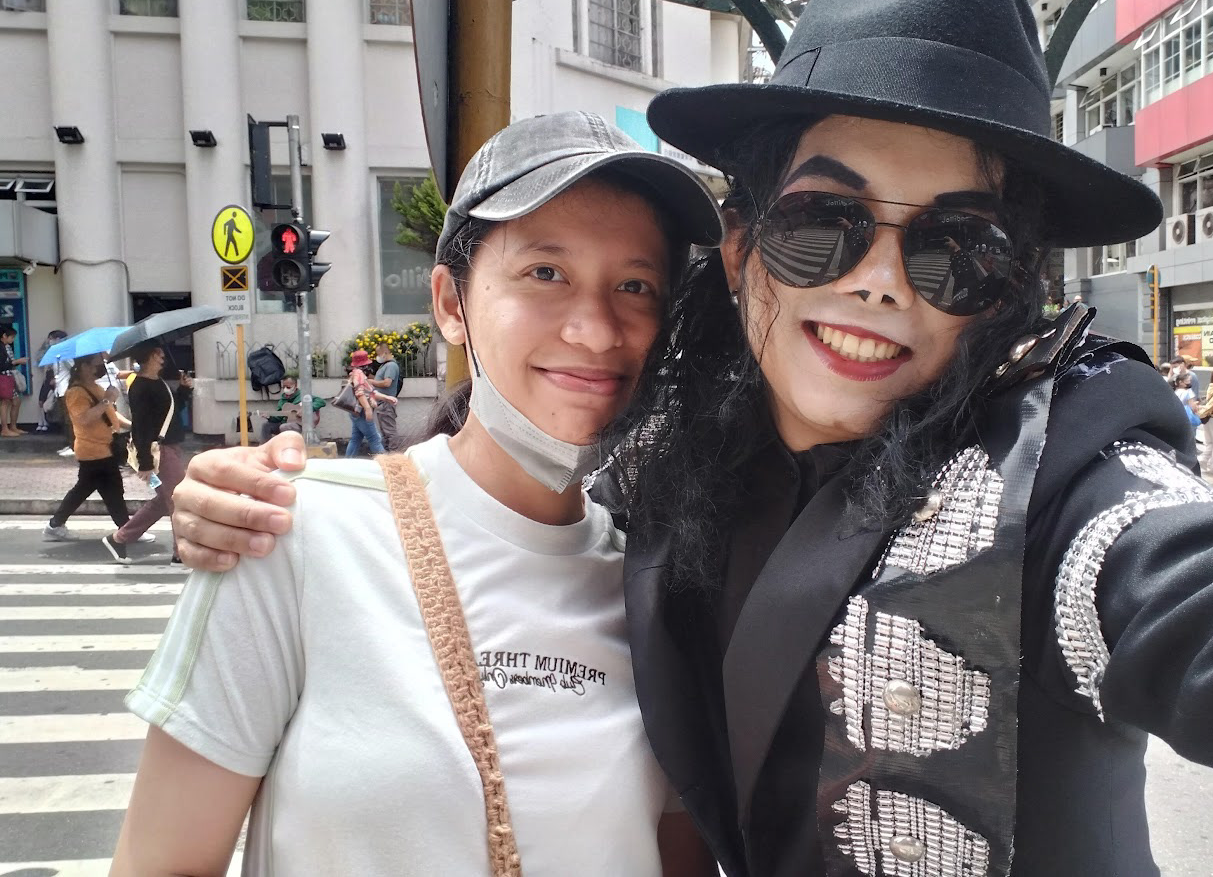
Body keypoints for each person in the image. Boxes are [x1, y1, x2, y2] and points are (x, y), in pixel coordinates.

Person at [166, 0, 1213, 876]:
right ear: (740, 247)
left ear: (1007, 286)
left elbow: (1190, 584)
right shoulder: (667, 476)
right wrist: (264, 498)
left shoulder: (1058, 472)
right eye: (823, 224)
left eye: (956, 246)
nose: (880, 283)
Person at [110, 111, 723, 875]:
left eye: (635, 285)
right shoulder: (291, 533)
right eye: (545, 272)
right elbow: (163, 862)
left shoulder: (662, 584)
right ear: (450, 303)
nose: (596, 330)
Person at [103, 342, 193, 564]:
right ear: (150, 356)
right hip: (158, 453)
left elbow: (170, 413)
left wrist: (183, 390)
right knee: (178, 499)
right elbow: (140, 426)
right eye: (158, 352)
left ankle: (119, 538)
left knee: (164, 500)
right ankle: (180, 552)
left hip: (169, 448)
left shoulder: (157, 381)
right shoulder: (140, 386)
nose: (163, 356)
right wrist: (145, 462)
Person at [43, 353, 131, 542]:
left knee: (90, 490)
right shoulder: (76, 392)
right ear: (84, 366)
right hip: (93, 450)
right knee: (112, 489)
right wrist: (107, 400)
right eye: (96, 364)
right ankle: (127, 530)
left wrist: (131, 425)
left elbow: (110, 414)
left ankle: (55, 524)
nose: (100, 368)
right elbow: (83, 419)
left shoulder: (96, 387)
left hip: (105, 448)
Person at [340, 349, 395, 457]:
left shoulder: (355, 374)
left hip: (356, 411)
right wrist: (367, 408)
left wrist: (386, 397)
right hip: (362, 412)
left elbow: (370, 392)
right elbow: (360, 392)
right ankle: (384, 463)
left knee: (356, 438)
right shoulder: (359, 374)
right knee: (374, 438)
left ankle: (347, 462)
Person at [258, 373, 323, 442]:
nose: (285, 389)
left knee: (284, 427)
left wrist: (305, 410)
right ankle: (265, 446)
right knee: (266, 426)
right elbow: (279, 417)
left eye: (288, 387)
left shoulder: (303, 396)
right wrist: (270, 417)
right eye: (283, 387)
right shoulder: (282, 400)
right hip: (285, 423)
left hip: (301, 425)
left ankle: (289, 446)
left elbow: (321, 401)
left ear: (295, 386)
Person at [370, 339, 402, 451]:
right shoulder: (384, 366)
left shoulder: (391, 366)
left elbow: (387, 383)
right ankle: (389, 453)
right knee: (385, 432)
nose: (378, 357)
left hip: (386, 403)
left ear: (384, 353)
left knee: (389, 431)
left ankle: (394, 453)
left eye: (378, 354)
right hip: (382, 403)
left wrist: (371, 382)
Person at [0, 323, 27, 436]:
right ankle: (5, 429)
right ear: (4, 336)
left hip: (8, 376)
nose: (13, 340)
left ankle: (12, 426)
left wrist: (15, 362)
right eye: (12, 337)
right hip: (3, 377)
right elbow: (2, 365)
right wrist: (16, 362)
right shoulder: (1, 347)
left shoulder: (5, 346)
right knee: (5, 401)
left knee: (15, 401)